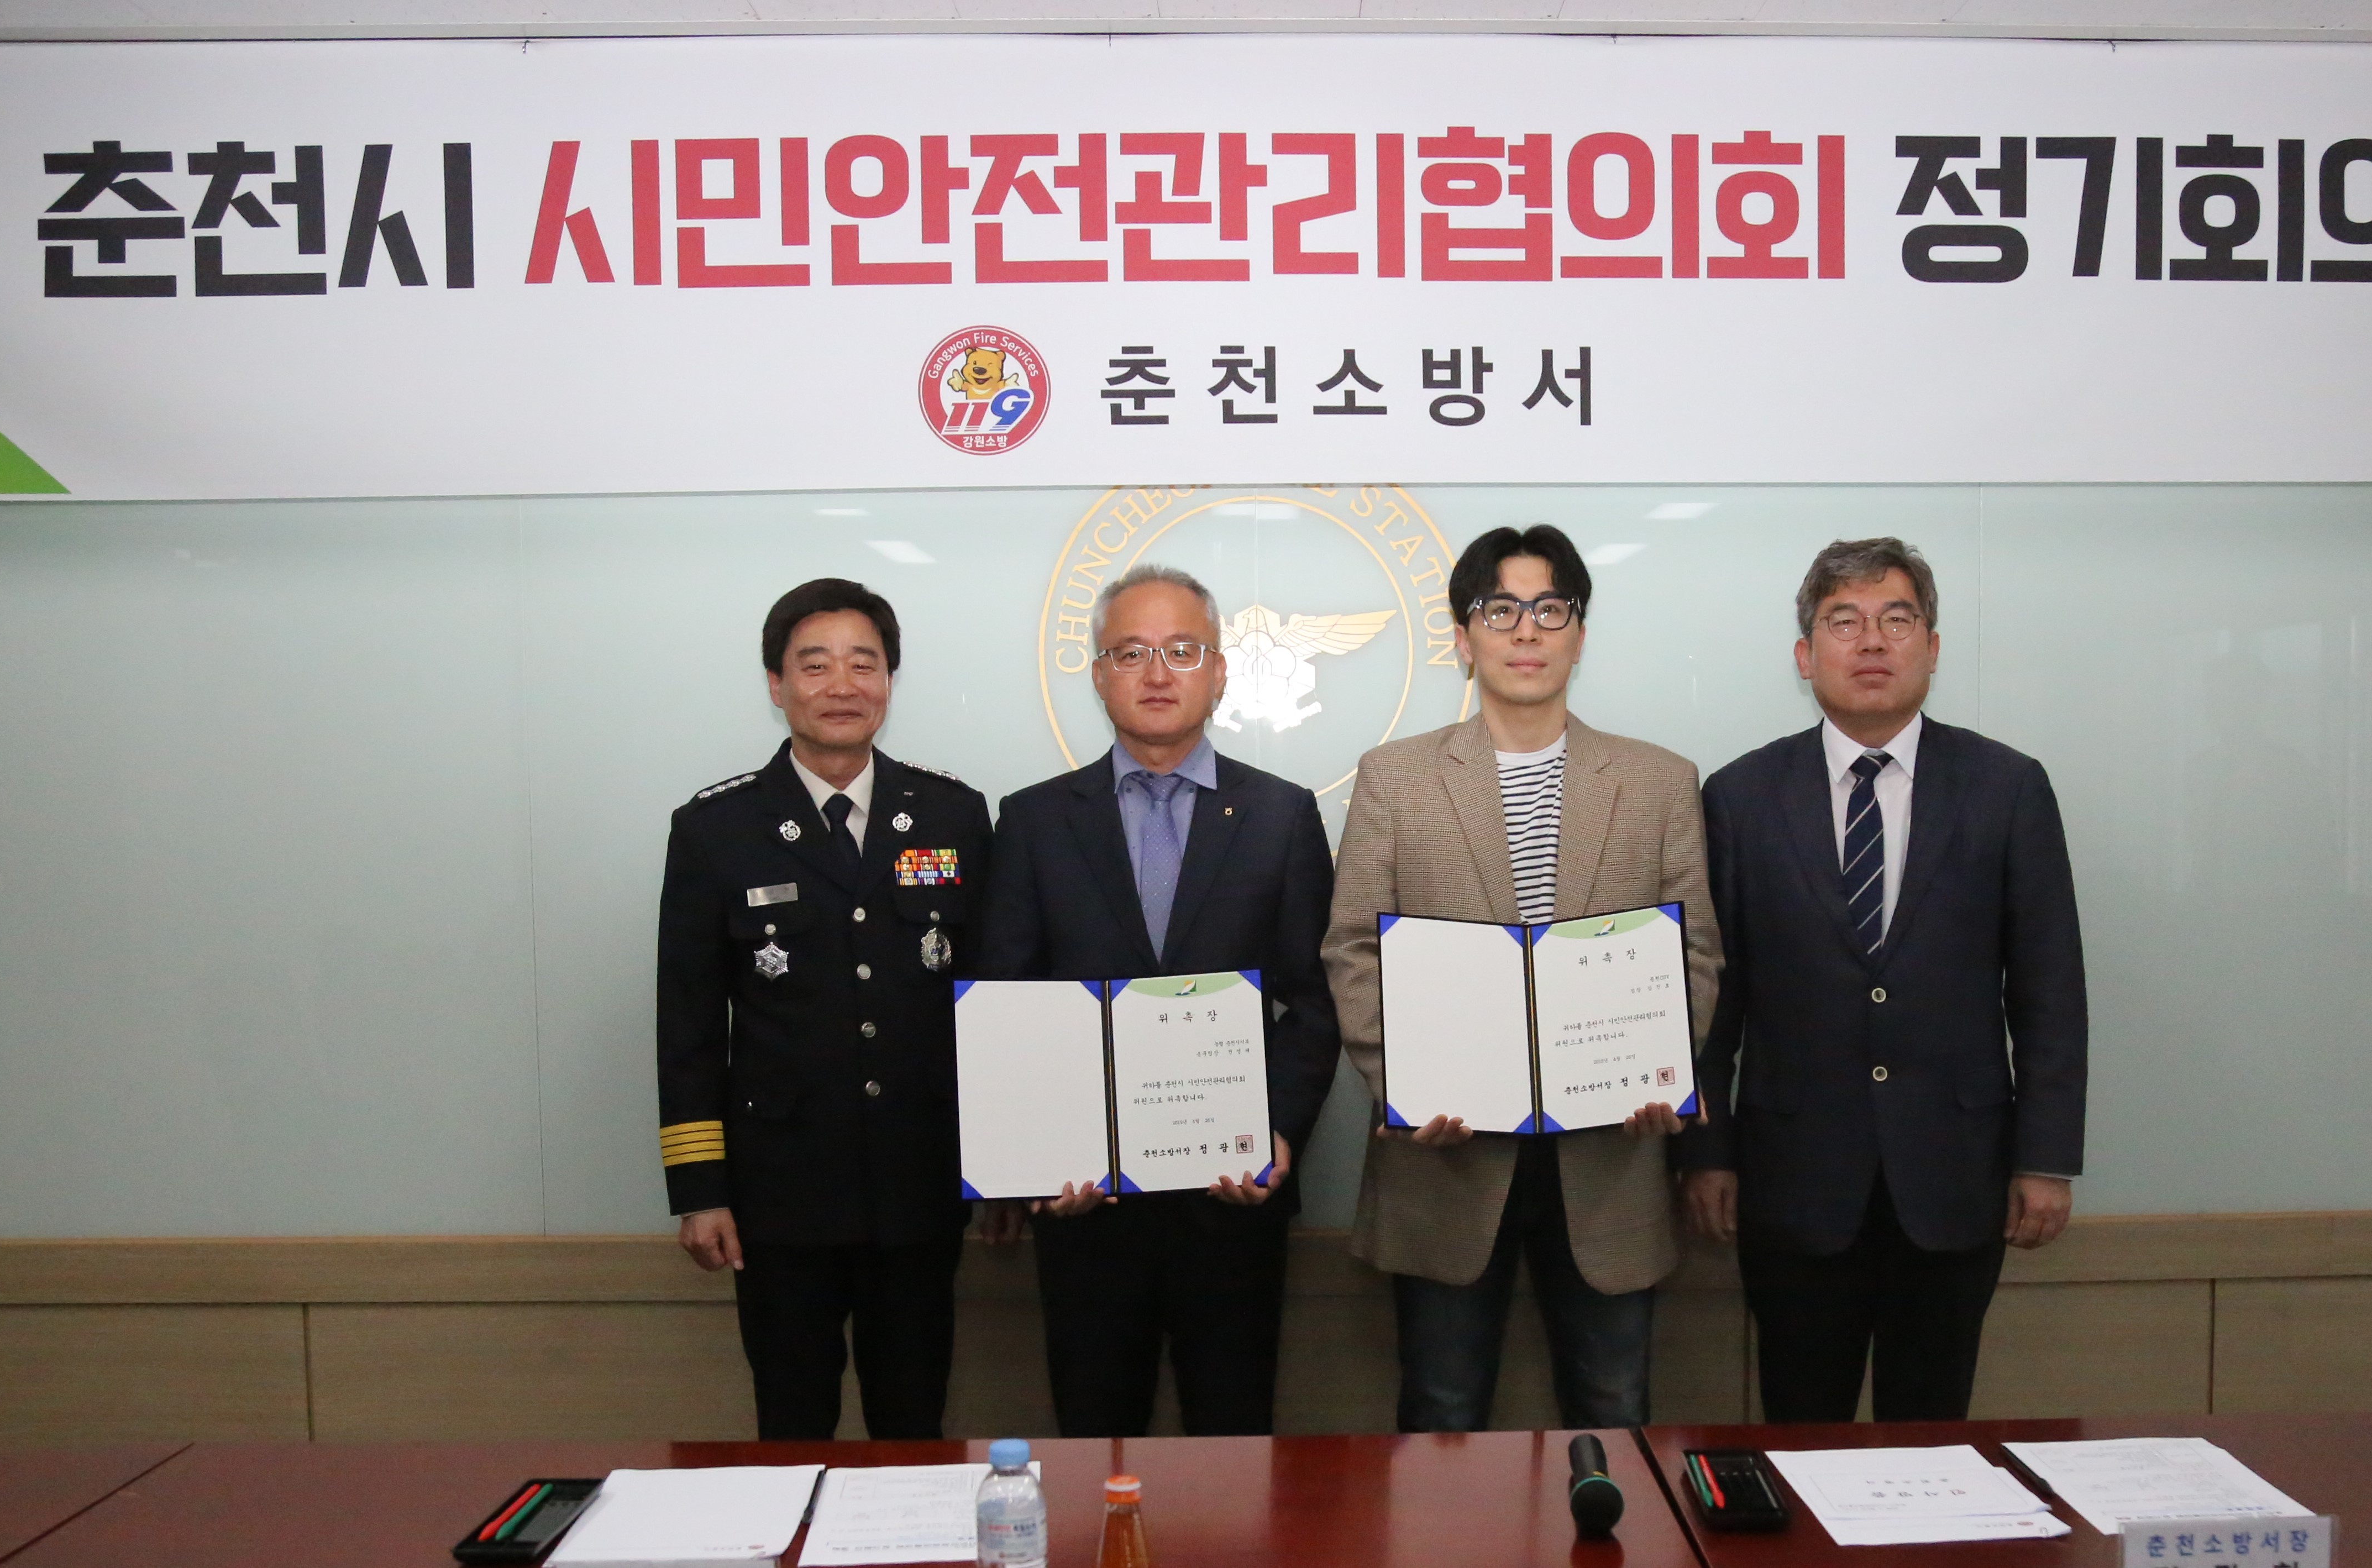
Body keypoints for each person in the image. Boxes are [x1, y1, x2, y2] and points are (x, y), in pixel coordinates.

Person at [1320, 525, 1722, 1433]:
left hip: (1610, 1157)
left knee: (1613, 1413)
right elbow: (1352, 950)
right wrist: (1406, 1084)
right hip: (1446, 1160)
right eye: (1499, 610)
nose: (1527, 630)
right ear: (1463, 638)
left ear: (1579, 632)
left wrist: (1661, 1067)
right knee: (1441, 1414)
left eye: (1550, 608)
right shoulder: (1395, 779)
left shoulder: (1658, 781)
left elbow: (1694, 952)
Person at [1680, 537, 2088, 1423]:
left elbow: (2049, 990)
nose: (1871, 640)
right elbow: (1710, 998)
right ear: (1804, 655)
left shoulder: (2007, 788)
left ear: (1931, 648)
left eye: (1895, 619)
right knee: (1800, 1425)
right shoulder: (1740, 797)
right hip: (1791, 1178)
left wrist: (2046, 1158)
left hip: (1954, 1175)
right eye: (1844, 621)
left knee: (1933, 1433)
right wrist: (1707, 1151)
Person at [976, 563, 1341, 1437]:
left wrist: (1278, 1132)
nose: (1156, 673)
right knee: (1097, 1444)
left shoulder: (1281, 815)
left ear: (1219, 672)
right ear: (1098, 674)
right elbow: (1005, 1003)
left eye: (1182, 650)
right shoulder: (1033, 821)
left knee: (1234, 1441)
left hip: (1233, 1198)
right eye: (1130, 652)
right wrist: (1034, 1157)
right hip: (1084, 1206)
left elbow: (1316, 1001)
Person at [654, 578, 993, 1440]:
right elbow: (687, 1024)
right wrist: (700, 1188)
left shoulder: (953, 816)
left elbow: (989, 1003)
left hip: (920, 1186)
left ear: (889, 681)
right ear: (777, 684)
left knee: (914, 1423)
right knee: (792, 1424)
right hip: (779, 1198)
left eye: (863, 664)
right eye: (815, 665)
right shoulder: (715, 829)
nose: (842, 685)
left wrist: (1002, 1165)